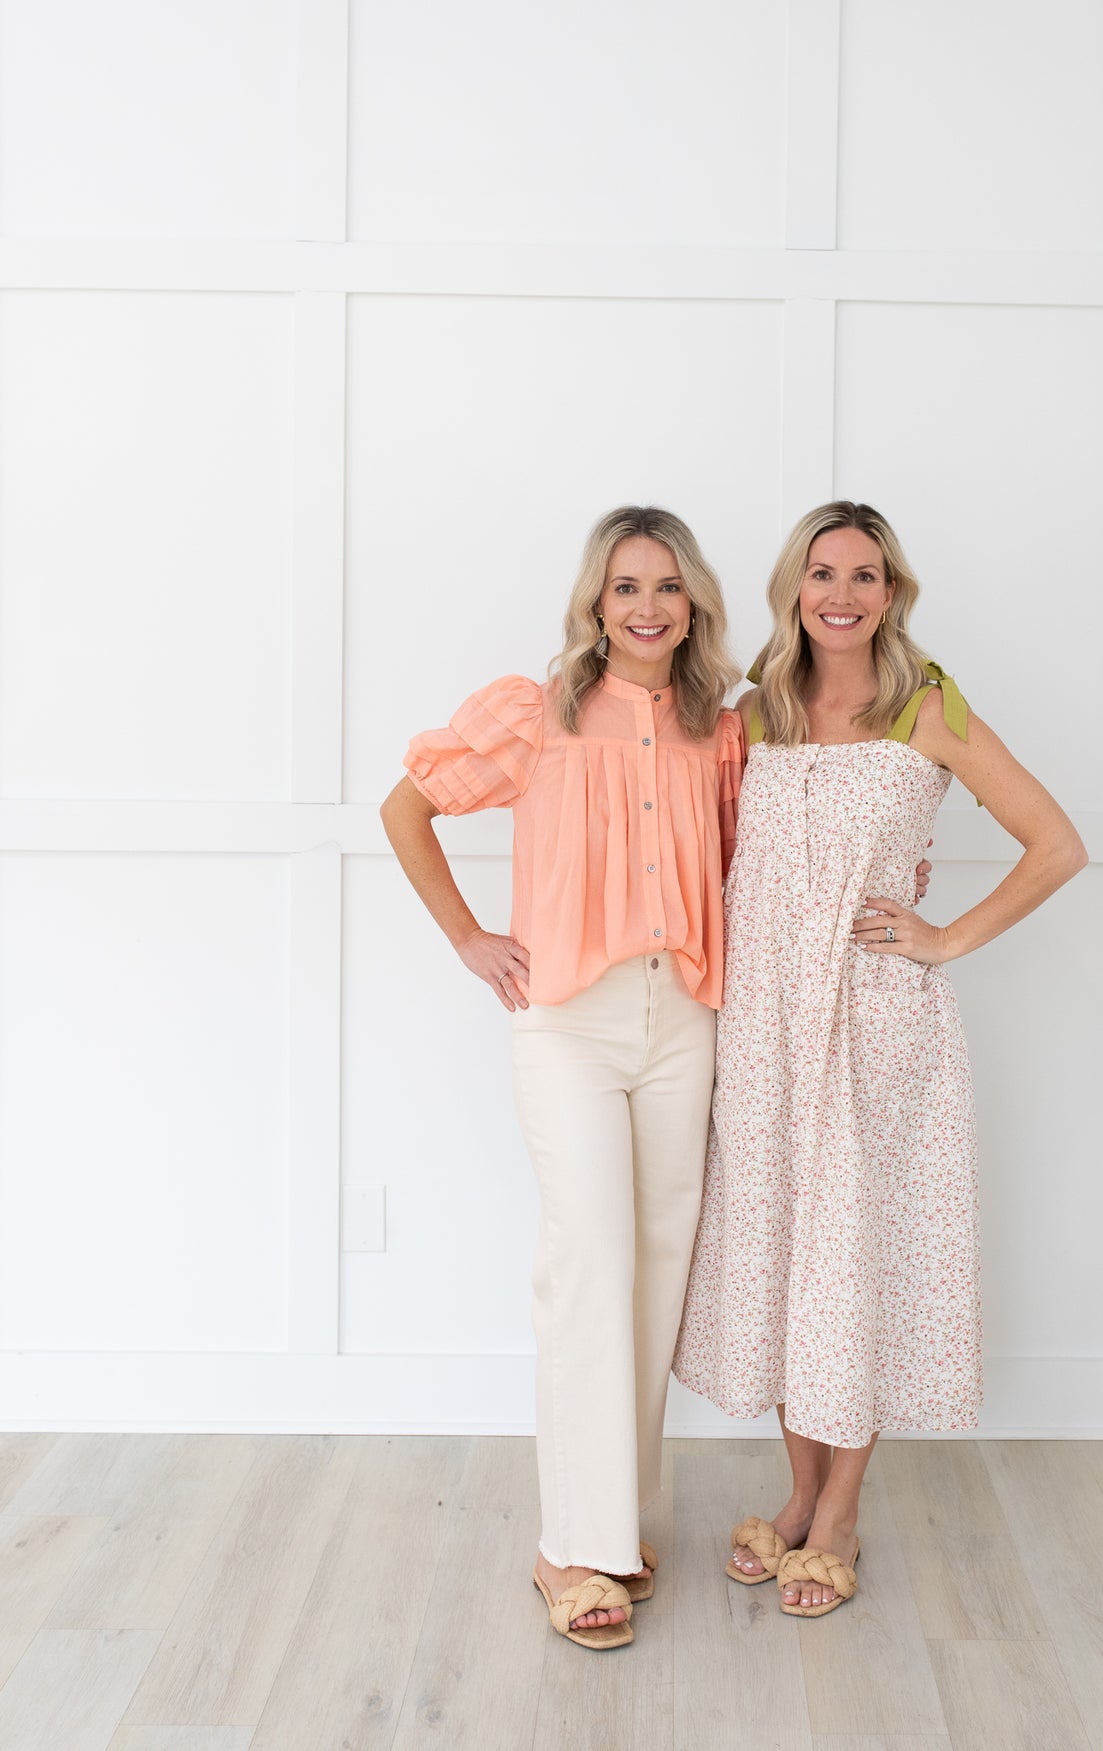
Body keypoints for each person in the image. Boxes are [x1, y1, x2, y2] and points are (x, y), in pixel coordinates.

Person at [672, 500, 1088, 1617]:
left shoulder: (928, 704)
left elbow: (1055, 843)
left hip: (874, 1026)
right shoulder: (752, 714)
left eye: (865, 574)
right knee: (772, 1255)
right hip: (760, 1026)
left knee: (853, 1263)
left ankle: (842, 1508)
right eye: (822, 572)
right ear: (791, 589)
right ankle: (797, 1496)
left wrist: (942, 936)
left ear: (892, 591)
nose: (842, 594)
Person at [380, 505, 744, 1650]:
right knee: (585, 1259)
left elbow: (755, 858)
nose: (646, 607)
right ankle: (569, 1547)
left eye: (667, 588)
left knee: (654, 1265)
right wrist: (466, 936)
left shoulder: (715, 731)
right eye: (626, 586)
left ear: (694, 605)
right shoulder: (534, 716)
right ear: (595, 602)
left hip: (681, 1016)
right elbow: (408, 807)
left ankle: (615, 1525)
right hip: (567, 1022)